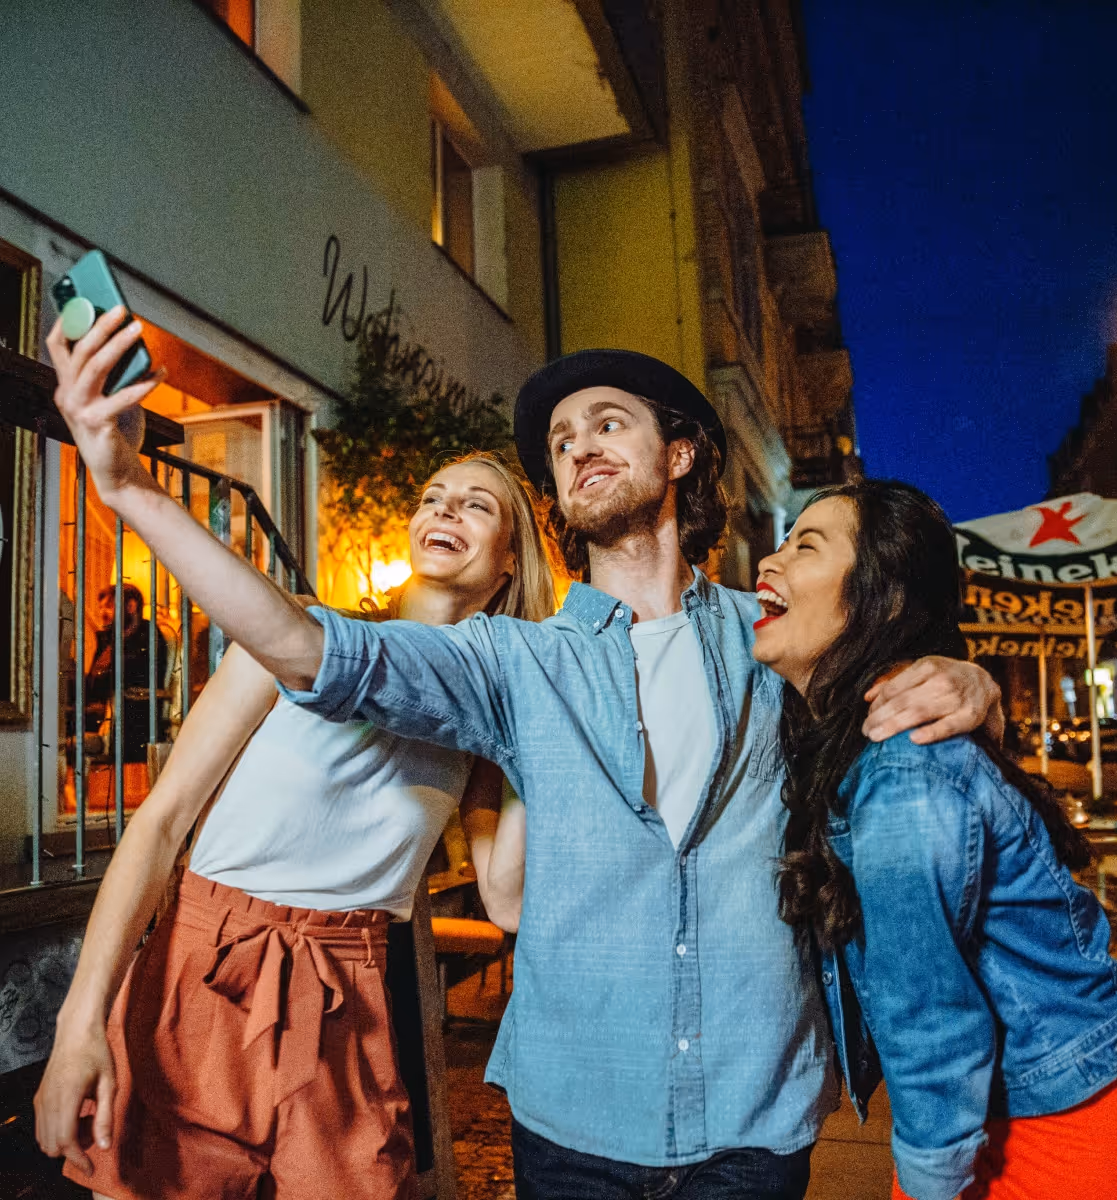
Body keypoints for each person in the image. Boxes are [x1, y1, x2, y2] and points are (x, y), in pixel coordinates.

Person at [48, 305, 1003, 1199]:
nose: (579, 442)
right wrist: (128, 490)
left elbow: (890, 661)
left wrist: (971, 685)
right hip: (572, 1121)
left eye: (607, 423)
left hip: (755, 1114)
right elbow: (311, 648)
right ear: (553, 496)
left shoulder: (772, 633)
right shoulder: (516, 664)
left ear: (678, 455)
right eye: (561, 441)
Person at [34, 450, 556, 1200]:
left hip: (348, 994)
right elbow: (161, 822)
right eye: (433, 495)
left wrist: (537, 735)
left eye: (478, 505)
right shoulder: (295, 634)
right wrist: (79, 1025)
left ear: (510, 562)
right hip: (205, 968)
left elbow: (505, 899)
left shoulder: (481, 720)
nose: (444, 510)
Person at [753, 479, 1117, 1200]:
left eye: (806, 545)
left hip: (1069, 1121)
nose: (770, 559)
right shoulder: (850, 739)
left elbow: (929, 1017)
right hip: (1001, 1104)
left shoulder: (901, 769)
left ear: (879, 600)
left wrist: (928, 1182)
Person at [83, 583, 170, 766]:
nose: (103, 613)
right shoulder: (112, 637)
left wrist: (110, 650)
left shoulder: (148, 634)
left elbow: (125, 674)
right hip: (111, 715)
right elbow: (94, 687)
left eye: (110, 606)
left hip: (136, 724)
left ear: (130, 606)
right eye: (101, 608)